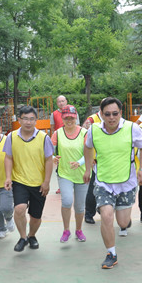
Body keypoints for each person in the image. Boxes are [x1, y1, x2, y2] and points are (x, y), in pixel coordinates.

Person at [84, 97, 142, 269]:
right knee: (106, 216)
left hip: (127, 182)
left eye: (115, 113)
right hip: (103, 182)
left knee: (122, 222)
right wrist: (87, 169)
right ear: (101, 114)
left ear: (121, 113)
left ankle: (125, 221)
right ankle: (111, 253)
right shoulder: (93, 130)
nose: (111, 118)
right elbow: (87, 147)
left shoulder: (132, 128)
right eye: (107, 114)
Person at [3, 106, 54, 252]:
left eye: (31, 119)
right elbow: (8, 157)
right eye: (25, 119)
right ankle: (23, 237)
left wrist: (46, 182)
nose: (28, 122)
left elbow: (49, 160)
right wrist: (8, 177)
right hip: (19, 181)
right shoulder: (11, 137)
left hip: (38, 183)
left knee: (35, 216)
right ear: (19, 120)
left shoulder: (44, 138)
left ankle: (32, 236)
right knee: (19, 209)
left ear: (36, 120)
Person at [51, 104, 88, 243]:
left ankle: (79, 230)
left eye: (72, 118)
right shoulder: (57, 133)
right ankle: (66, 230)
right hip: (65, 173)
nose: (69, 121)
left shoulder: (84, 133)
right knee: (66, 201)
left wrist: (80, 162)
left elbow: (90, 152)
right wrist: (53, 157)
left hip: (82, 174)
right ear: (62, 118)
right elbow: (49, 150)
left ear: (76, 118)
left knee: (79, 206)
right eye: (66, 118)